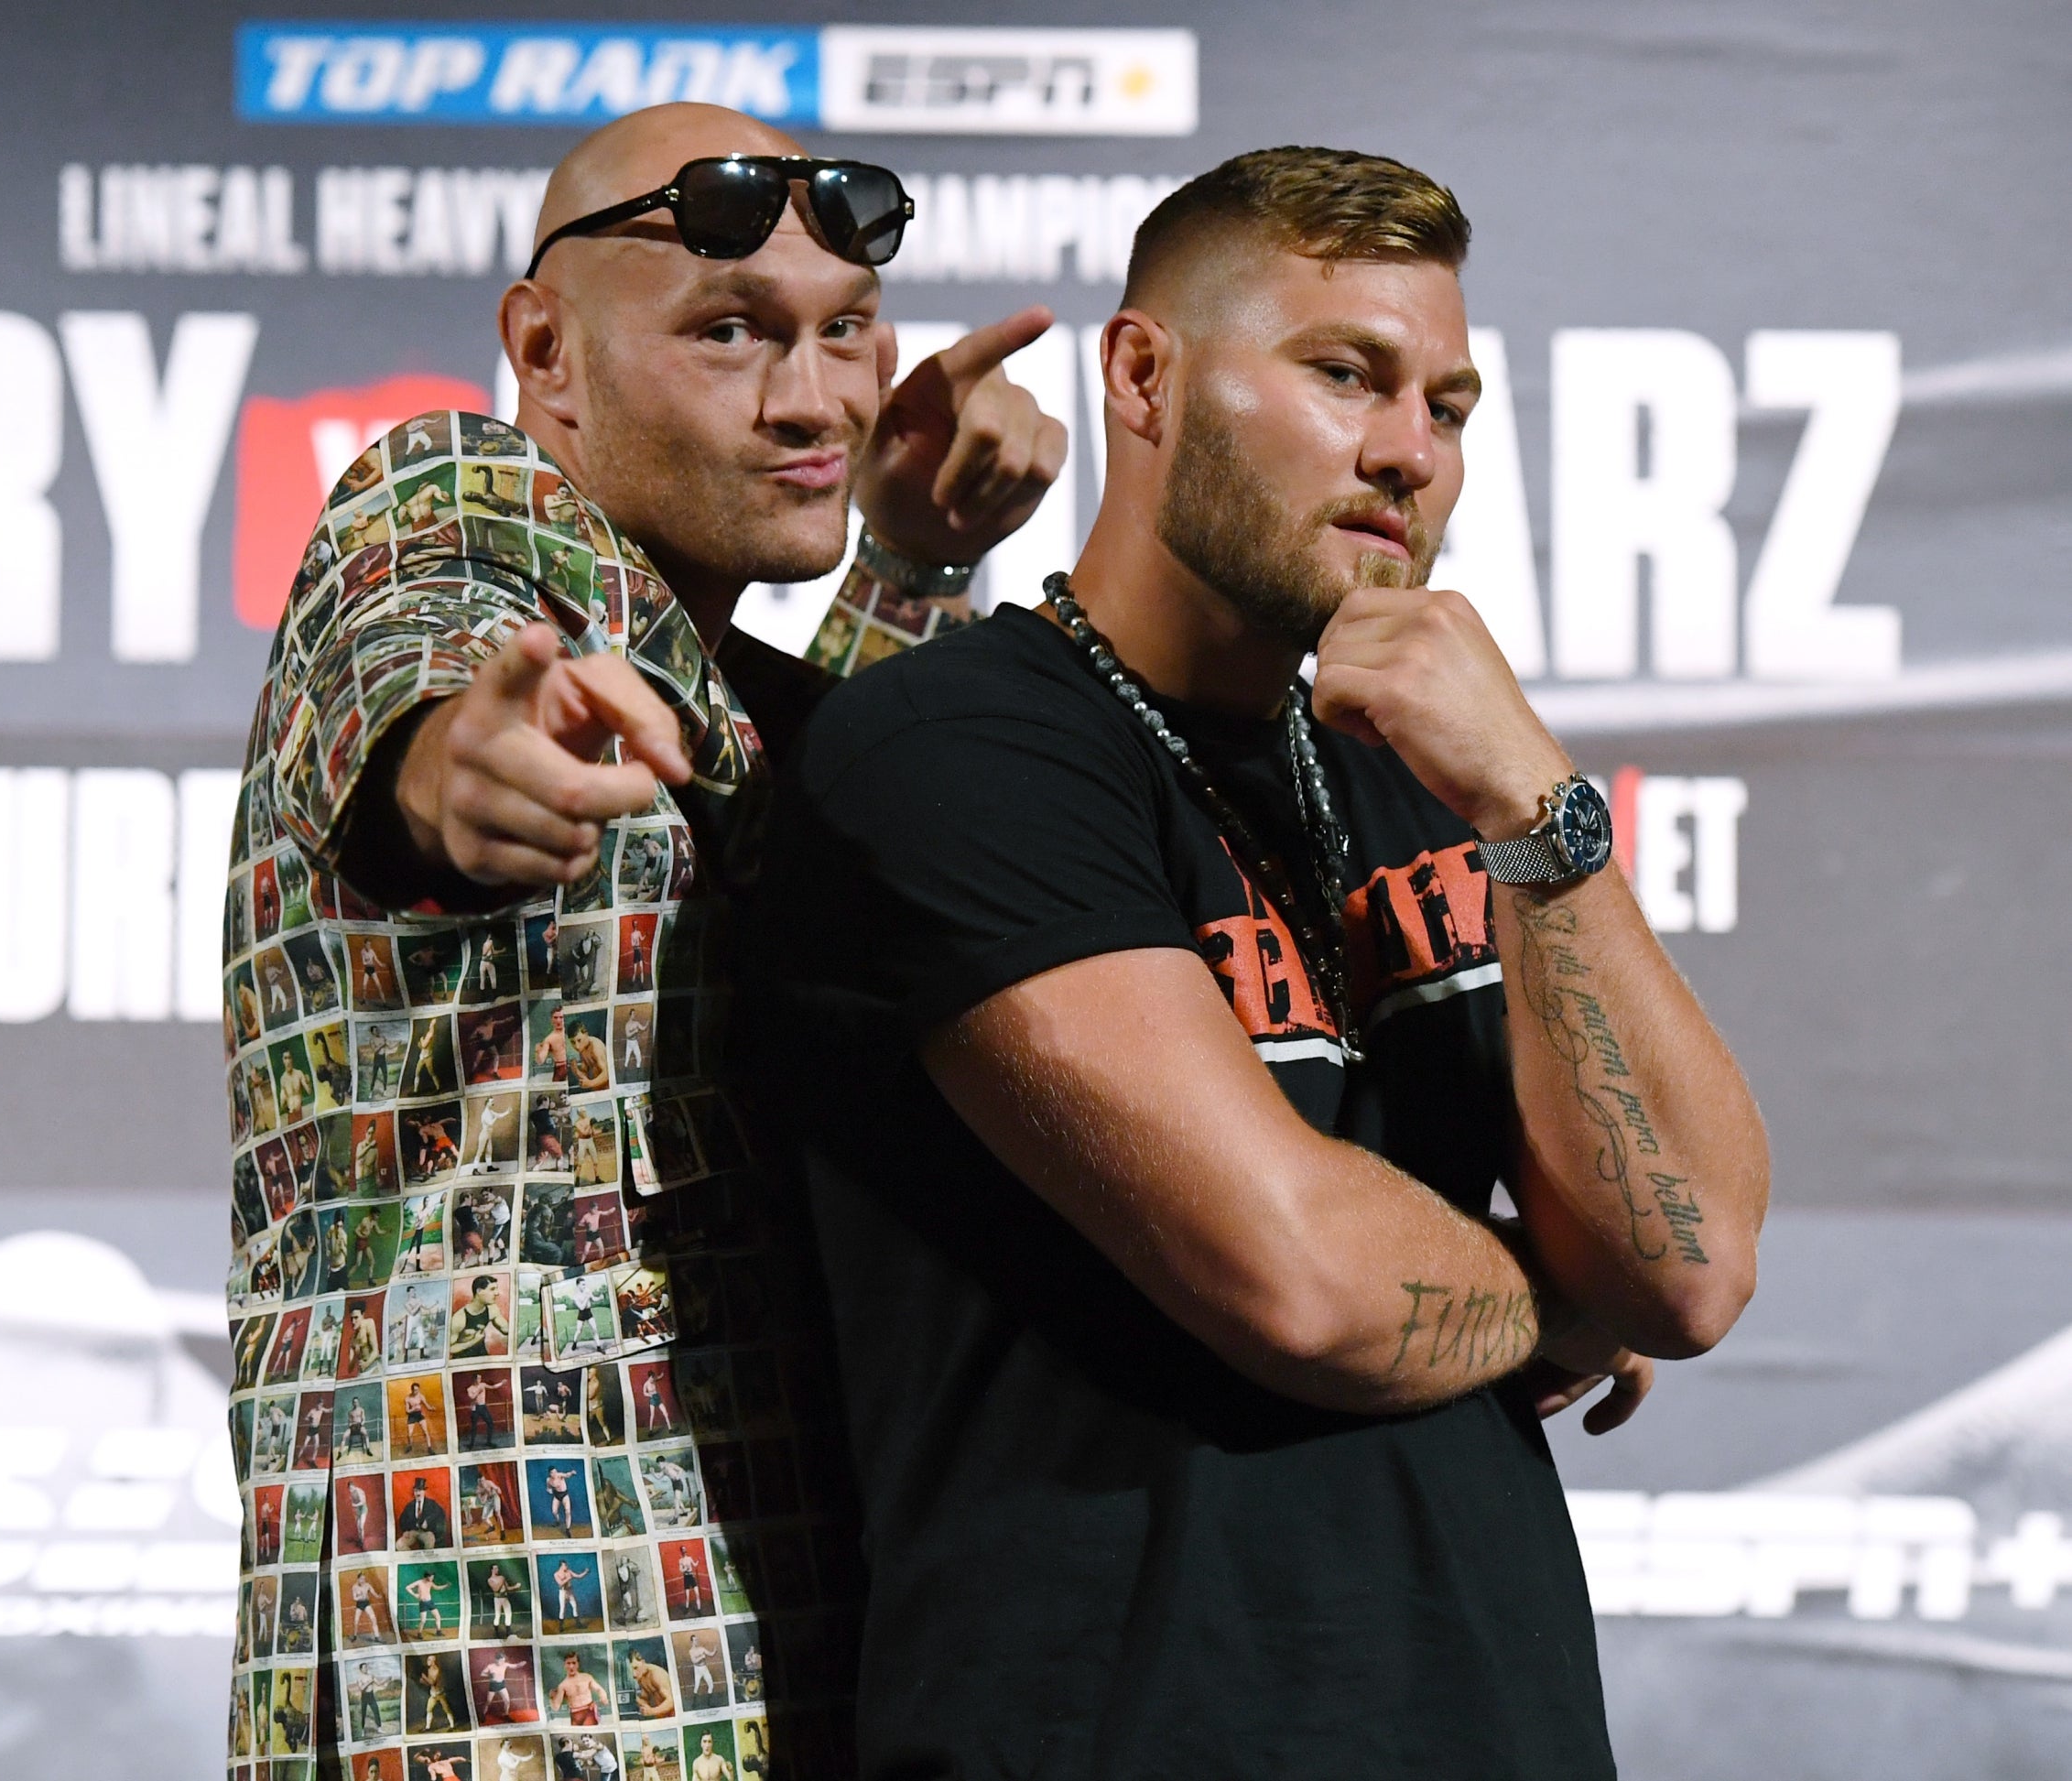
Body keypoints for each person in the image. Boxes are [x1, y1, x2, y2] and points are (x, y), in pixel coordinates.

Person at [744, 146, 1770, 1775]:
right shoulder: (952, 749)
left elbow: (1698, 1261)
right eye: (1343, 373)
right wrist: (1567, 1294)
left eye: (1448, 404)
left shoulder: (1433, 776)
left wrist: (1539, 807)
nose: (1406, 453)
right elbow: (1302, 1285)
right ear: (1143, 376)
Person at [221, 94, 1064, 1776]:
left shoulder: (711, 680)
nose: (815, 397)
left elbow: (815, 876)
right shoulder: (459, 502)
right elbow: (430, 667)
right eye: (731, 333)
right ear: (546, 350)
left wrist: (901, 563)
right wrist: (468, 767)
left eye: (845, 335)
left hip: (777, 1645)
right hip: (502, 1687)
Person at [547, 1650, 611, 1725]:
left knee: (588, 1732)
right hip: (575, 1715)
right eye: (568, 1663)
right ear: (564, 1665)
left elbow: (599, 1689)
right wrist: (551, 1698)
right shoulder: (562, 1685)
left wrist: (603, 1697)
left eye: (574, 1663)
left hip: (588, 1711)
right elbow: (556, 1707)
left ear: (578, 1664)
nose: (571, 1666)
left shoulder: (586, 1677)